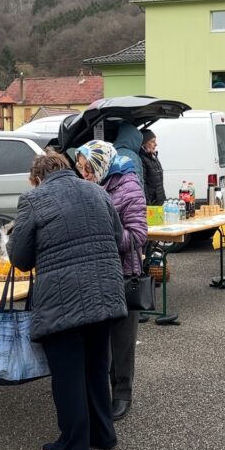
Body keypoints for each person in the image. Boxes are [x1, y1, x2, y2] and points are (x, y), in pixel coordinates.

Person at [8, 151, 127, 450]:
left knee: (68, 373)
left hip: (63, 299)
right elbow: (117, 237)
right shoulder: (98, 192)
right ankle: (103, 434)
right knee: (96, 368)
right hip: (105, 292)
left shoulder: (33, 200)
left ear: (37, 178)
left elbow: (20, 258)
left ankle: (73, 446)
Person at [75, 140, 147, 422]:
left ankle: (122, 393)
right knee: (98, 336)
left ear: (102, 164)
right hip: (95, 272)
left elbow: (138, 235)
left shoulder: (129, 188)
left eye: (88, 168)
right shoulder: (90, 187)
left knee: (122, 339)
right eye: (80, 169)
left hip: (123, 272)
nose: (84, 174)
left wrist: (107, 236)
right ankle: (100, 390)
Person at [139, 129, 166, 206]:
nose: (156, 144)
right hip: (152, 204)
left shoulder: (153, 156)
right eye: (152, 141)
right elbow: (143, 184)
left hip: (159, 201)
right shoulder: (142, 159)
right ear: (144, 143)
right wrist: (148, 205)